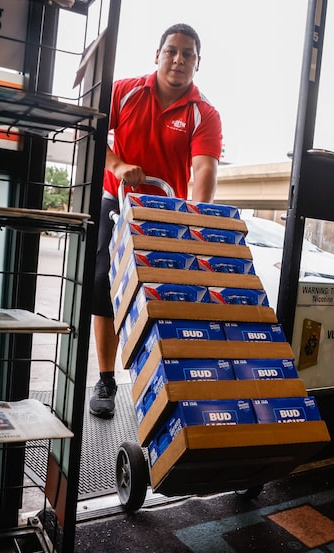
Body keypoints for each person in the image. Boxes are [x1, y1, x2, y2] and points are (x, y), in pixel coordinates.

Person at [89, 23, 223, 418]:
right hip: (117, 201)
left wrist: (197, 222)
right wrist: (118, 165)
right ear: (157, 54)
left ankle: (163, 383)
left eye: (188, 54)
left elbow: (204, 171)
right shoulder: (125, 91)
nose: (178, 59)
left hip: (164, 214)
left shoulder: (204, 114)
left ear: (197, 64)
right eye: (171, 51)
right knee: (103, 289)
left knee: (163, 298)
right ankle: (107, 380)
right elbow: (96, 136)